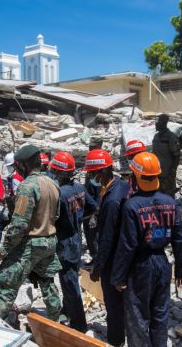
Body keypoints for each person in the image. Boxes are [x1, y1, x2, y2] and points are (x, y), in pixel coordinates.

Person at [111, 152, 182, 347]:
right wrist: (181, 270)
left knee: (137, 318)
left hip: (140, 266)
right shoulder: (170, 202)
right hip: (163, 264)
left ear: (136, 176)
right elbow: (179, 239)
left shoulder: (132, 205)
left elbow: (127, 245)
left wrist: (118, 277)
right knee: (160, 315)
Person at [0, 145, 62, 324]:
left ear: (23, 165)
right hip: (50, 240)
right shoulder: (53, 183)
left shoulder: (27, 186)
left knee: (7, 279)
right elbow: (57, 215)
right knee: (47, 282)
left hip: (31, 243)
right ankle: (55, 320)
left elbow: (19, 225)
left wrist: (3, 250)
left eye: (18, 166)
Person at [85, 149, 129, 347]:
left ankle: (116, 340)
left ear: (103, 171)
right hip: (123, 254)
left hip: (113, 258)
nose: (92, 178)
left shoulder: (111, 200)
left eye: (94, 173)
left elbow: (107, 238)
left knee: (113, 302)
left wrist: (98, 265)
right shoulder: (119, 185)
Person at [50, 151, 97, 332]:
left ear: (59, 172)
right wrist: (78, 218)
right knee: (70, 280)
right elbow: (93, 208)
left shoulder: (59, 195)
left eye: (54, 170)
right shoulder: (79, 188)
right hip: (77, 239)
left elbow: (50, 221)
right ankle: (66, 310)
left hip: (65, 244)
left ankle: (79, 325)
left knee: (69, 284)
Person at [0, 152, 24, 251]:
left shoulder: (15, 178)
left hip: (15, 208)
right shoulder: (21, 175)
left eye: (10, 166)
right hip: (18, 207)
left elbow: (16, 195)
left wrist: (12, 211)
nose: (8, 168)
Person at [83, 136, 104, 262]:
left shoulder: (100, 161)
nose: (90, 149)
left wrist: (95, 212)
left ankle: (97, 260)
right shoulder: (90, 159)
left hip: (95, 206)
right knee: (89, 232)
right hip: (90, 204)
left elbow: (99, 191)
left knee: (94, 234)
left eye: (93, 147)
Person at [152, 114, 180, 197]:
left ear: (164, 122)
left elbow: (177, 155)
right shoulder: (156, 136)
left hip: (167, 173)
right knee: (157, 193)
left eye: (159, 121)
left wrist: (173, 170)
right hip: (157, 172)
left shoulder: (171, 137)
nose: (156, 124)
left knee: (168, 195)